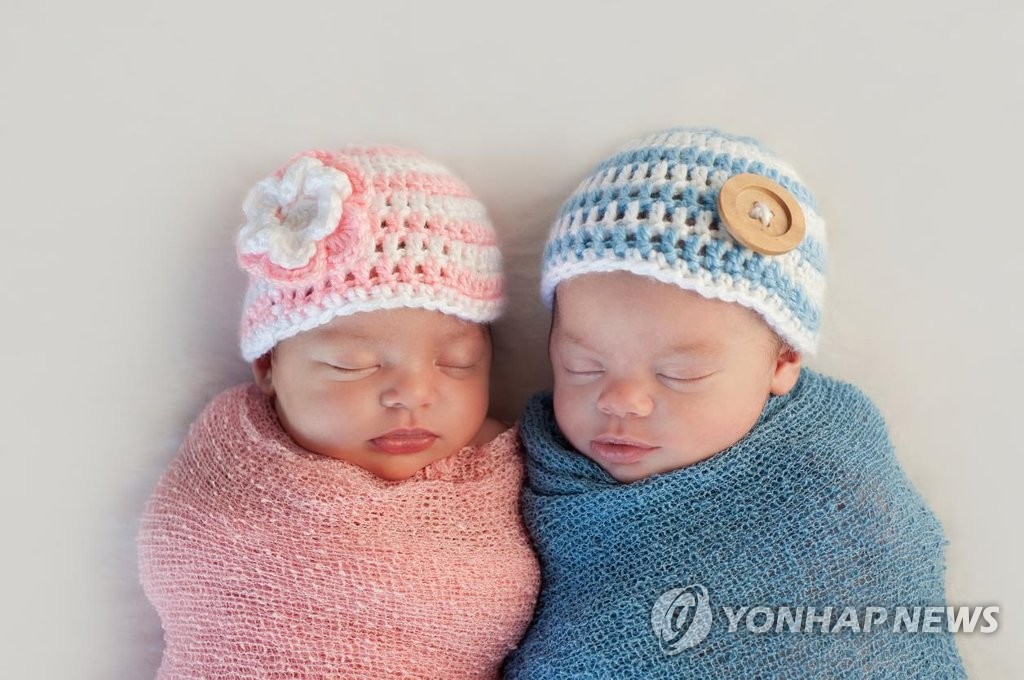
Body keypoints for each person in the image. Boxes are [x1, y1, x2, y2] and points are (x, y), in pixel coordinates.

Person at [503, 127, 965, 678]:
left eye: (681, 374)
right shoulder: (518, 473)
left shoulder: (831, 480)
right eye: (583, 366)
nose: (621, 400)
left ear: (782, 362)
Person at [138, 146, 540, 678]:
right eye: (352, 365)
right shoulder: (232, 462)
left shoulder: (515, 468)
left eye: (456, 362)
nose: (412, 395)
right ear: (269, 368)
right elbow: (187, 542)